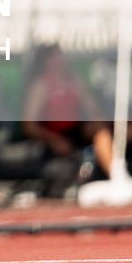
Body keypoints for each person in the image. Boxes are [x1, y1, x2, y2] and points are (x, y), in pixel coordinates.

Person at [21, 45, 113, 181]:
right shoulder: (41, 86)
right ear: (47, 60)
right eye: (57, 56)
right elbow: (28, 125)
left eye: (62, 55)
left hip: (75, 132)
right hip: (53, 136)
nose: (62, 59)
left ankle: (115, 173)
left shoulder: (74, 82)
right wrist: (54, 140)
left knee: (101, 132)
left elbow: (92, 109)